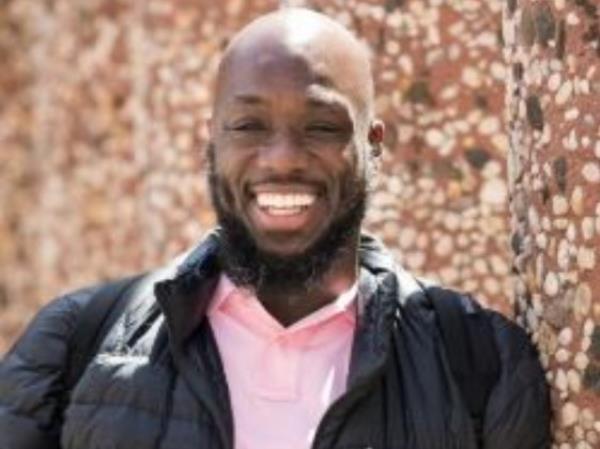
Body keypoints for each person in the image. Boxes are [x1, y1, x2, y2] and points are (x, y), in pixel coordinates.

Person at [0, 7, 550, 449]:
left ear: (373, 148)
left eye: (321, 125)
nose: (282, 159)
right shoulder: (75, 343)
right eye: (248, 125)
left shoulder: (480, 363)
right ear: (211, 144)